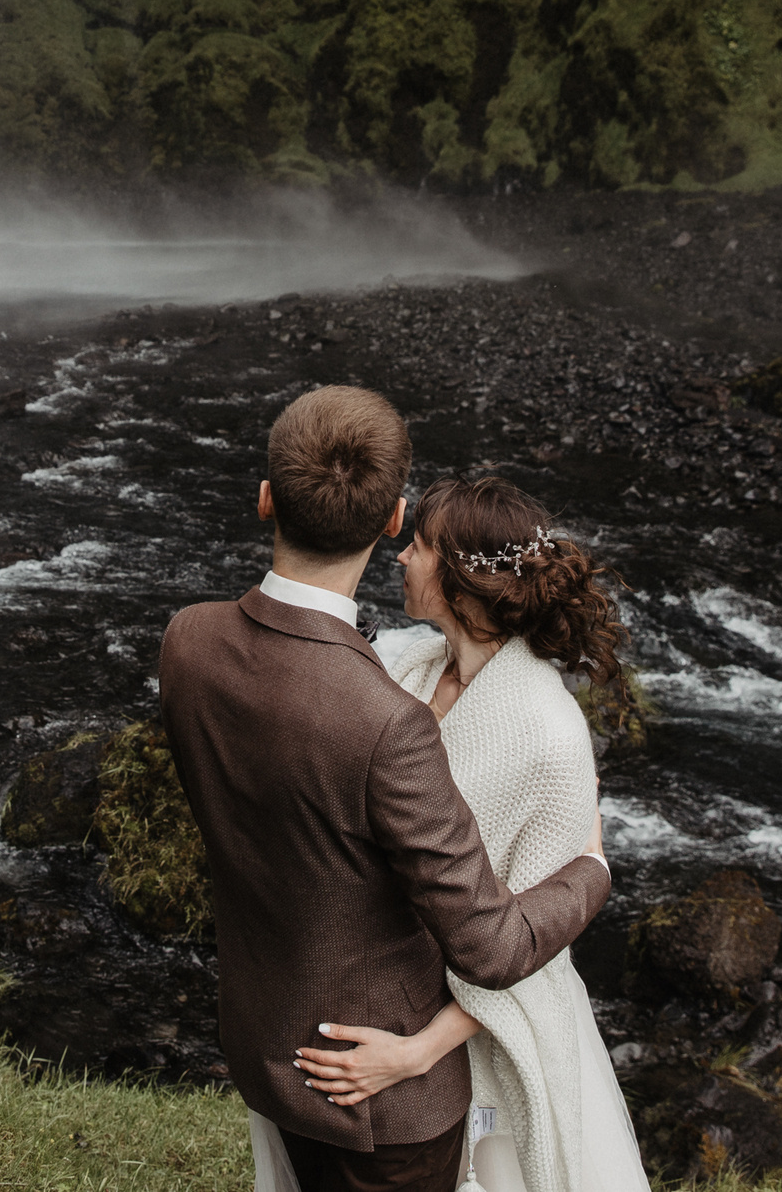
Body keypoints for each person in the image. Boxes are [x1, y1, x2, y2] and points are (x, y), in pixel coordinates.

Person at [157, 386, 613, 1192]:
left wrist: (422, 1046)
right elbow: (496, 943)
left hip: (284, 1038)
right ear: (392, 518)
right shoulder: (390, 701)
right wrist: (595, 869)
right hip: (370, 1087)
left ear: (266, 499)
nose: (406, 558)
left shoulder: (187, 639)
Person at [295, 476, 649, 1192]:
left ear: (464, 577)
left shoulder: (549, 734)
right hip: (381, 984)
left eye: (420, 545)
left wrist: (416, 1052)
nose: (400, 556)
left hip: (471, 1039)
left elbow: (535, 945)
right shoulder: (407, 665)